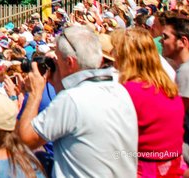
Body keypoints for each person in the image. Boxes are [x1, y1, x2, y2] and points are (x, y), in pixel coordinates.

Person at [16, 25, 138, 177]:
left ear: (69, 62)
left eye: (57, 60)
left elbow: (24, 140)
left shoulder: (72, 100)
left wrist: (35, 93)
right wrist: (58, 85)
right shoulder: (120, 91)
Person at [111, 27, 185, 177]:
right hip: (174, 167)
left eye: (115, 50)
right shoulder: (168, 86)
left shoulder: (128, 91)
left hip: (144, 169)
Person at [161, 17, 189, 166]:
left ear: (183, 42)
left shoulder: (188, 71)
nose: (160, 41)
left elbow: (175, 116)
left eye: (165, 37)